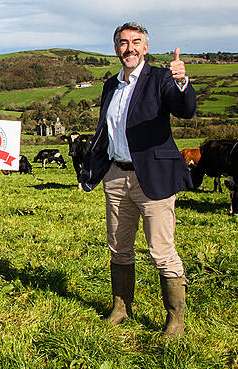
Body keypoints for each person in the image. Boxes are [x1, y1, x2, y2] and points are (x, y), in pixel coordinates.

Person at [80, 22, 196, 338]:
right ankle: (121, 308)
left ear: (145, 47)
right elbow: (106, 131)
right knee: (118, 247)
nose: (129, 48)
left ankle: (175, 321)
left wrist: (182, 81)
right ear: (115, 47)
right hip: (117, 176)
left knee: (161, 250)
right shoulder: (109, 86)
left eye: (136, 42)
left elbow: (185, 109)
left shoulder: (160, 79)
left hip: (152, 178)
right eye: (122, 42)